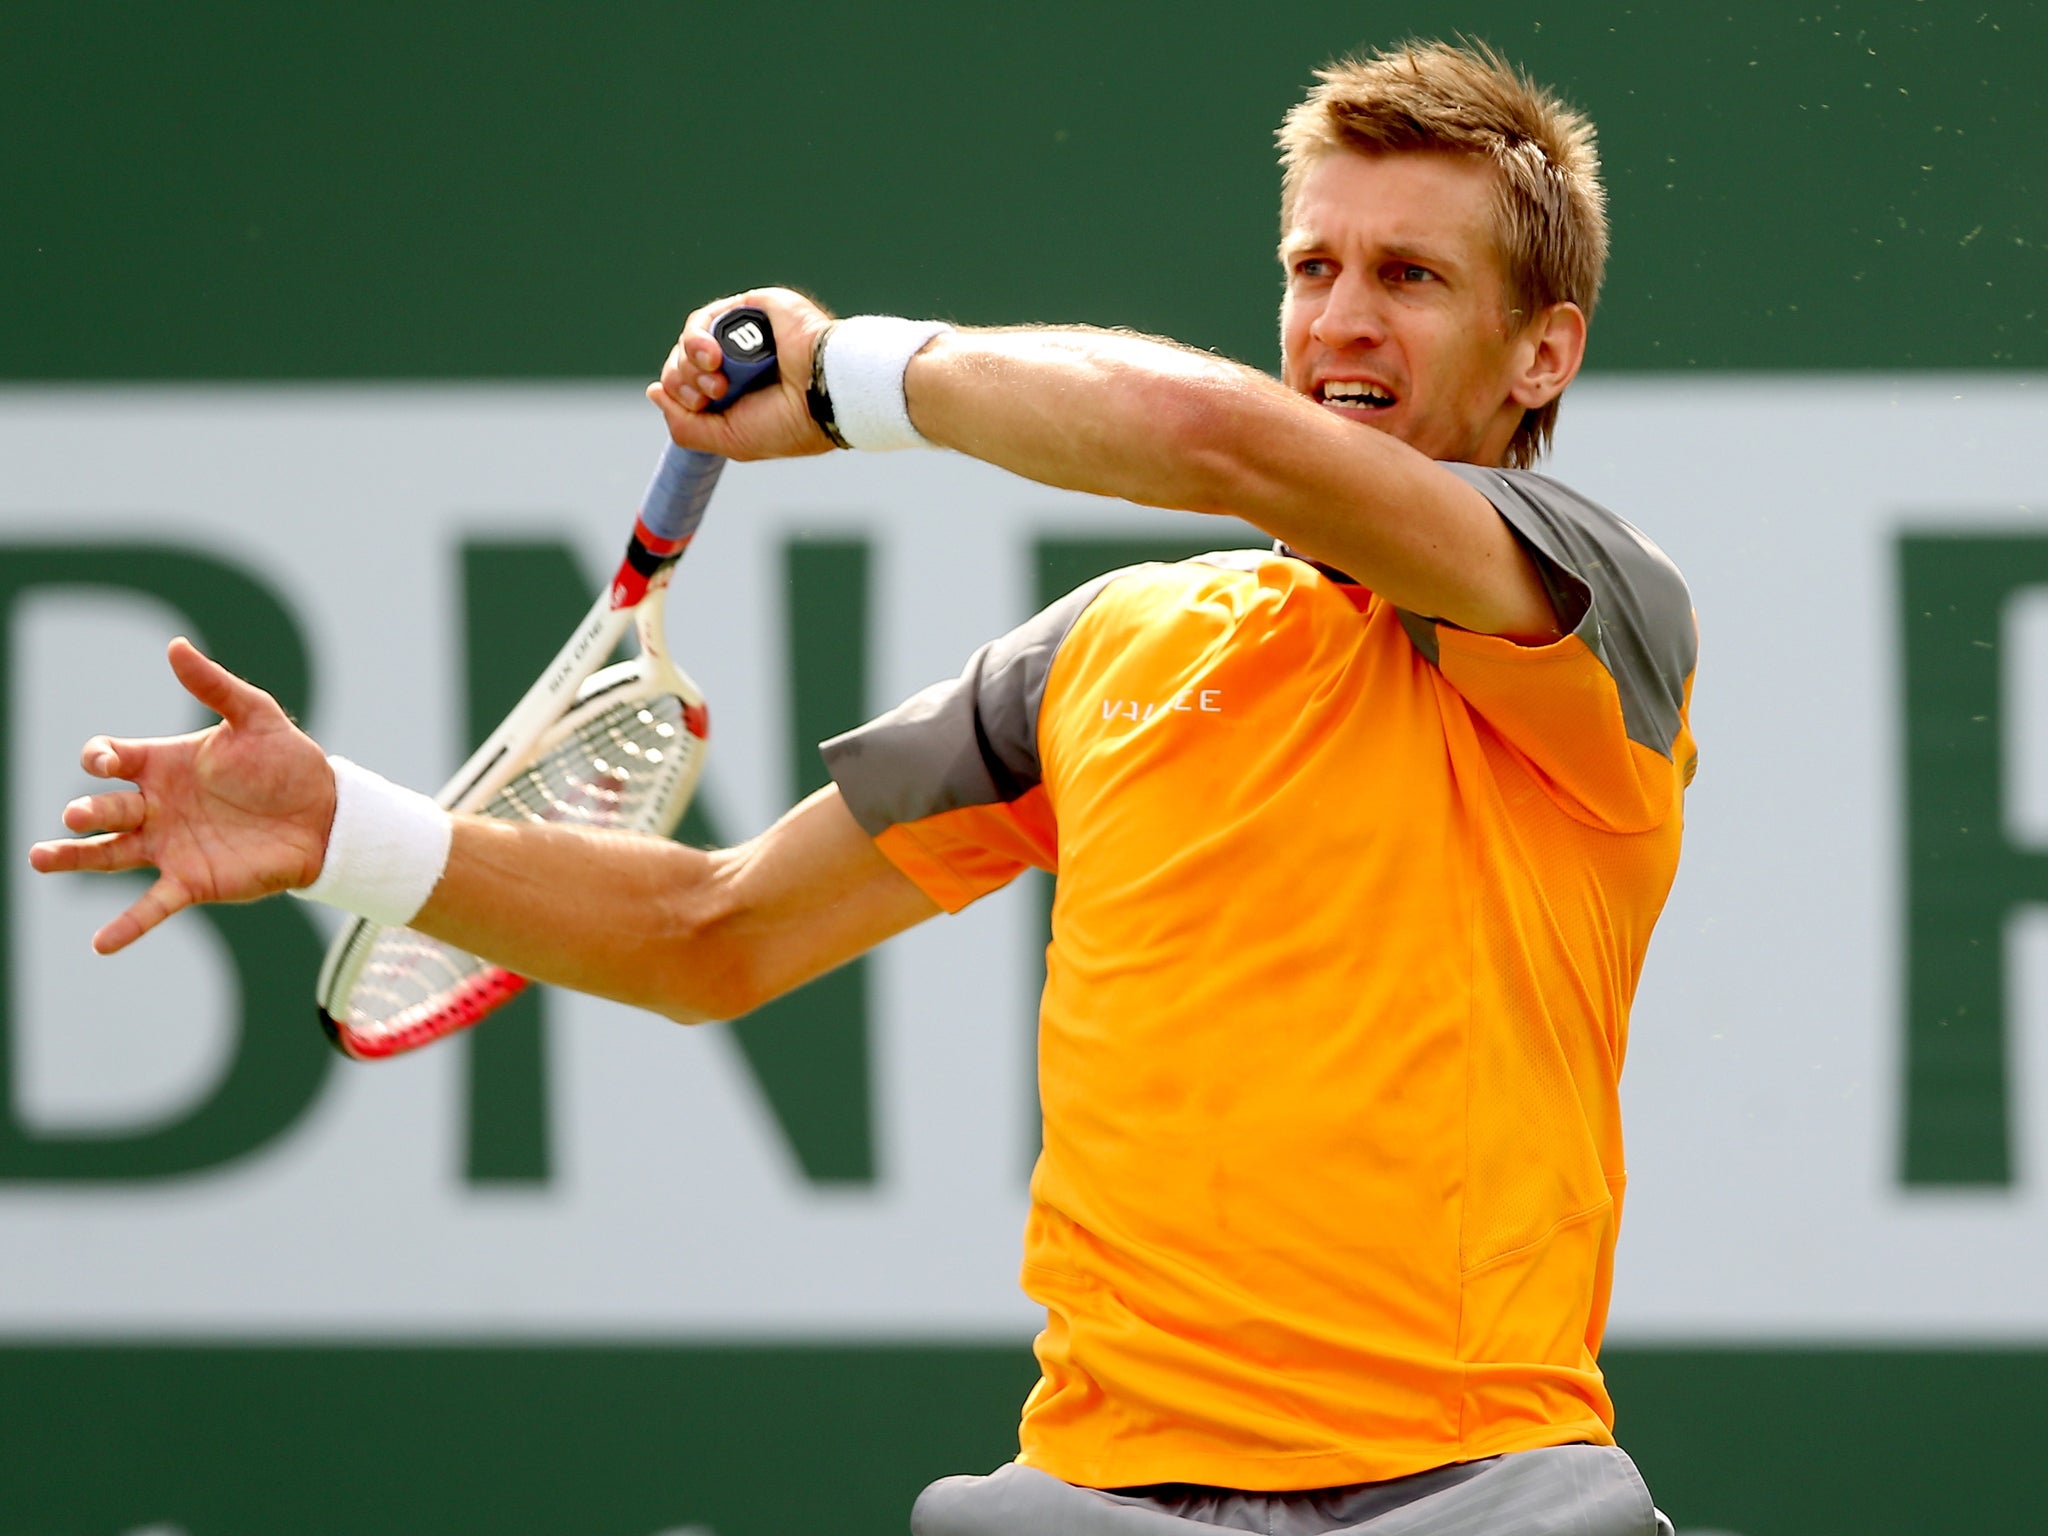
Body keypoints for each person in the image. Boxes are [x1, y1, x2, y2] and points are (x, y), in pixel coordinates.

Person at [33, 40, 1690, 1536]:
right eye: (1311, 264)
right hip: (1093, 1498)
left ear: (1541, 352)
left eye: (1409, 276)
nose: (1338, 319)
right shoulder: (1105, 650)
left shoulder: (1589, 608)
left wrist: (848, 378)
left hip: (1480, 1497)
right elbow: (712, 931)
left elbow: (1217, 439)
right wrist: (347, 831)